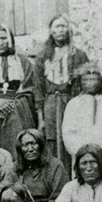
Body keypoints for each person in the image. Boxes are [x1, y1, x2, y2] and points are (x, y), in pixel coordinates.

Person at [34, 14, 89, 172]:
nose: (60, 30)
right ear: (51, 31)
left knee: (73, 138)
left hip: (71, 102)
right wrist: (41, 119)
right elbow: (38, 89)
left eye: (63, 26)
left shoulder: (78, 55)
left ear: (69, 30)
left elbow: (85, 82)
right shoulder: (43, 56)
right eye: (57, 26)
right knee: (52, 140)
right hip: (51, 103)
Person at [0, 26, 36, 159]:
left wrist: (14, 103)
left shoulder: (21, 60)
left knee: (20, 143)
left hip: (19, 110)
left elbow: (30, 86)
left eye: (4, 38)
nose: (1, 42)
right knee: (0, 148)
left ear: (10, 40)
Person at [62, 61, 102, 172]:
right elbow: (68, 133)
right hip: (84, 160)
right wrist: (84, 153)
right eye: (86, 80)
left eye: (93, 79)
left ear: (100, 80)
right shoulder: (74, 103)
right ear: (80, 82)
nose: (90, 83)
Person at [14, 129, 69, 202]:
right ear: (20, 149)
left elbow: (61, 196)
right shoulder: (16, 169)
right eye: (25, 145)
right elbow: (9, 194)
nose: (30, 149)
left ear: (41, 145)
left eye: (34, 143)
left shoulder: (55, 166)